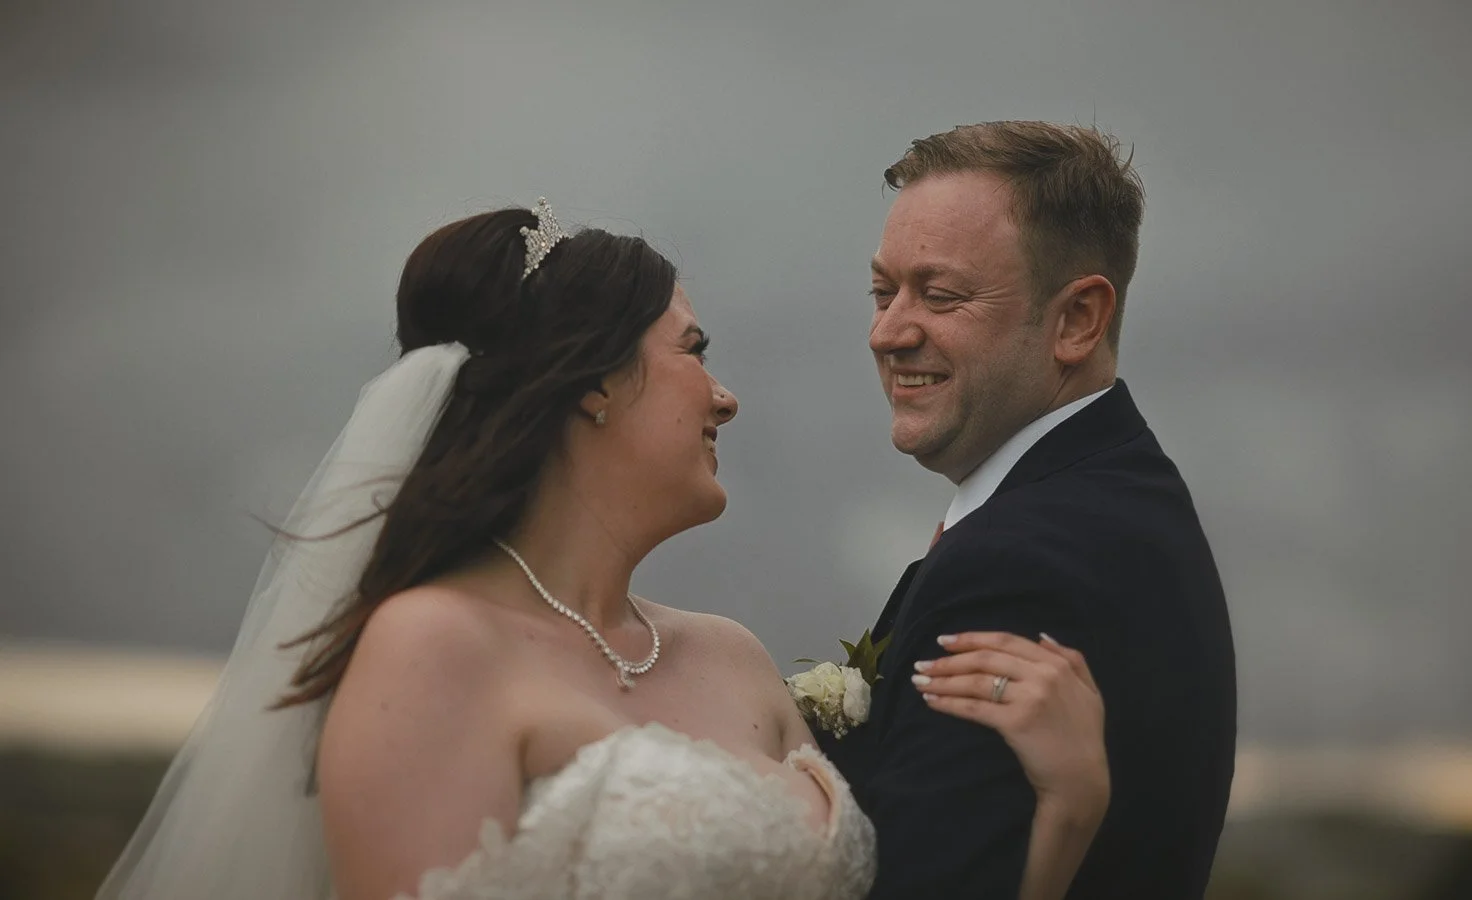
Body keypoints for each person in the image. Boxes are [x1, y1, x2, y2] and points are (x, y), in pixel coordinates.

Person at [95, 200, 1110, 900]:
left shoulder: (734, 657)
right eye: (693, 351)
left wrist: (1067, 806)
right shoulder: (433, 647)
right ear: (594, 382)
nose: (725, 395)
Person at [823, 122, 1237, 899]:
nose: (887, 332)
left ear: (1078, 319)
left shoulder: (1018, 567)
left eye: (939, 295)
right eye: (883, 292)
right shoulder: (1117, 498)